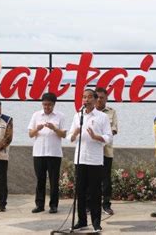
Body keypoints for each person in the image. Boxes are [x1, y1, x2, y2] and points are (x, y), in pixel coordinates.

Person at [69, 89, 113, 233]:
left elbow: (109, 137)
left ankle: (96, 223)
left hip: (95, 160)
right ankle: (82, 221)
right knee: (80, 192)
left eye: (89, 97)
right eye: (84, 97)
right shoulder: (78, 115)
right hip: (80, 158)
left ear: (95, 100)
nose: (86, 100)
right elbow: (70, 137)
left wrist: (96, 137)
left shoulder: (102, 117)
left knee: (95, 192)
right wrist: (75, 132)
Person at [28, 92, 67, 214]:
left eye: (49, 105)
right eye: (44, 104)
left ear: (54, 104)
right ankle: (39, 205)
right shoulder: (36, 115)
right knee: (40, 179)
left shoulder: (60, 116)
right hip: (39, 152)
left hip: (54, 153)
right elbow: (30, 134)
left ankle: (53, 205)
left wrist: (54, 128)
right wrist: (37, 129)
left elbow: (64, 134)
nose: (46, 107)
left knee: (54, 180)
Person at [95, 87, 118, 215]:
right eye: (97, 97)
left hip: (106, 151)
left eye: (102, 97)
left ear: (106, 98)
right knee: (91, 180)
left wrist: (99, 136)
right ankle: (89, 205)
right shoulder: (86, 112)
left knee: (106, 180)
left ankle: (106, 205)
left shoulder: (111, 112)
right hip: (91, 153)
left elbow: (113, 130)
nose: (99, 100)